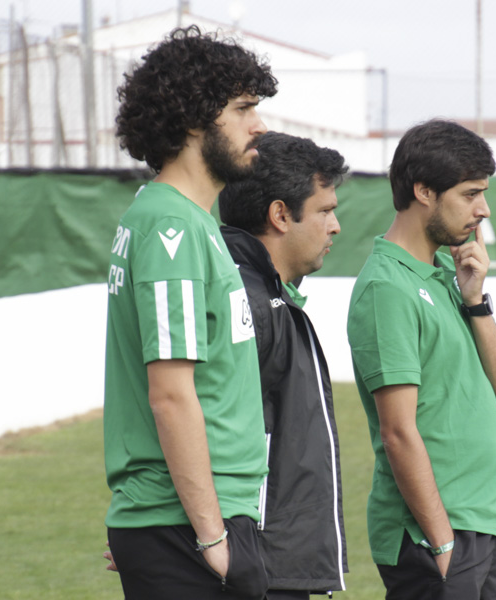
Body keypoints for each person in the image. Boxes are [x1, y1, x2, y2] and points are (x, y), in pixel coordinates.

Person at [102, 26, 276, 600]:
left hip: (192, 520)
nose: (261, 125)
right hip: (196, 529)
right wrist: (209, 538)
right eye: (245, 108)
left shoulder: (185, 221)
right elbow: (170, 394)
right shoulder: (170, 225)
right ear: (196, 118)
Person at [346, 119, 496, 600]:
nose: (483, 210)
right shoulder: (388, 288)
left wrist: (476, 301)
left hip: (478, 523)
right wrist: (442, 541)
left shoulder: (451, 272)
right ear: (424, 191)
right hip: (432, 534)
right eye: (470, 194)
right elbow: (398, 431)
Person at [217, 131, 349, 599]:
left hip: (263, 559)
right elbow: (197, 422)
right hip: (252, 564)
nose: (335, 226)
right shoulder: (249, 303)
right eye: (325, 210)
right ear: (279, 215)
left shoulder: (266, 297)